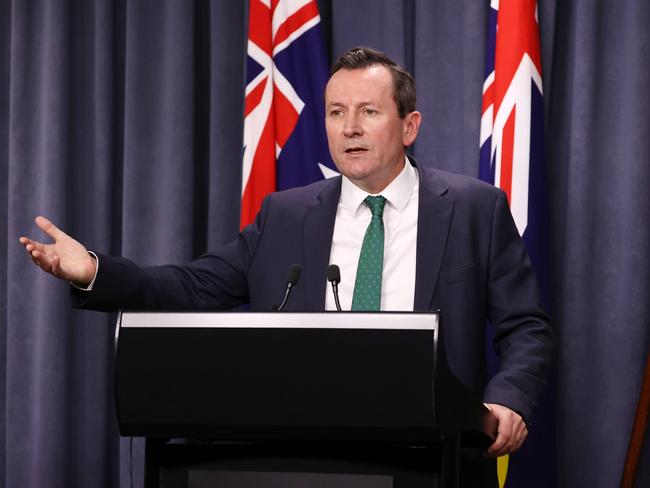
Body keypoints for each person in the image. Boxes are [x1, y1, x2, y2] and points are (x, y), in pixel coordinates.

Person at [20, 47, 553, 485]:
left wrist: (508, 401)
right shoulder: (285, 214)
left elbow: (525, 325)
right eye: (336, 112)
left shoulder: (475, 208)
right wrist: (93, 270)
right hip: (307, 461)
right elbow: (191, 288)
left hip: (436, 456)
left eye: (368, 111)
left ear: (409, 125)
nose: (350, 129)